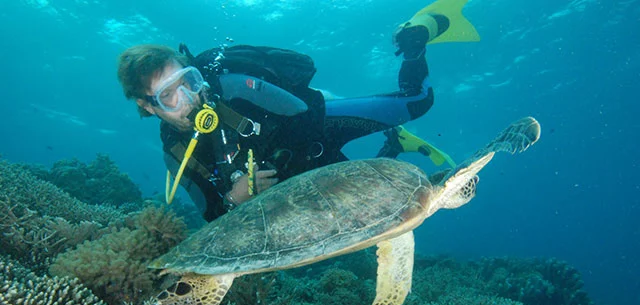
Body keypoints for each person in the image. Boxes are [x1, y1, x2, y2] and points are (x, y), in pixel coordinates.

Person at [117, 0, 479, 223]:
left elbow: (303, 113)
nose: (190, 98)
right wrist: (234, 198)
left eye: (189, 81)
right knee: (373, 217)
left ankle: (416, 37)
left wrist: (276, 156)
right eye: (170, 96)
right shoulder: (175, 153)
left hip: (319, 132)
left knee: (416, 103)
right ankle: (395, 144)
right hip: (296, 186)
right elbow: (212, 216)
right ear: (147, 106)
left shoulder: (230, 84)